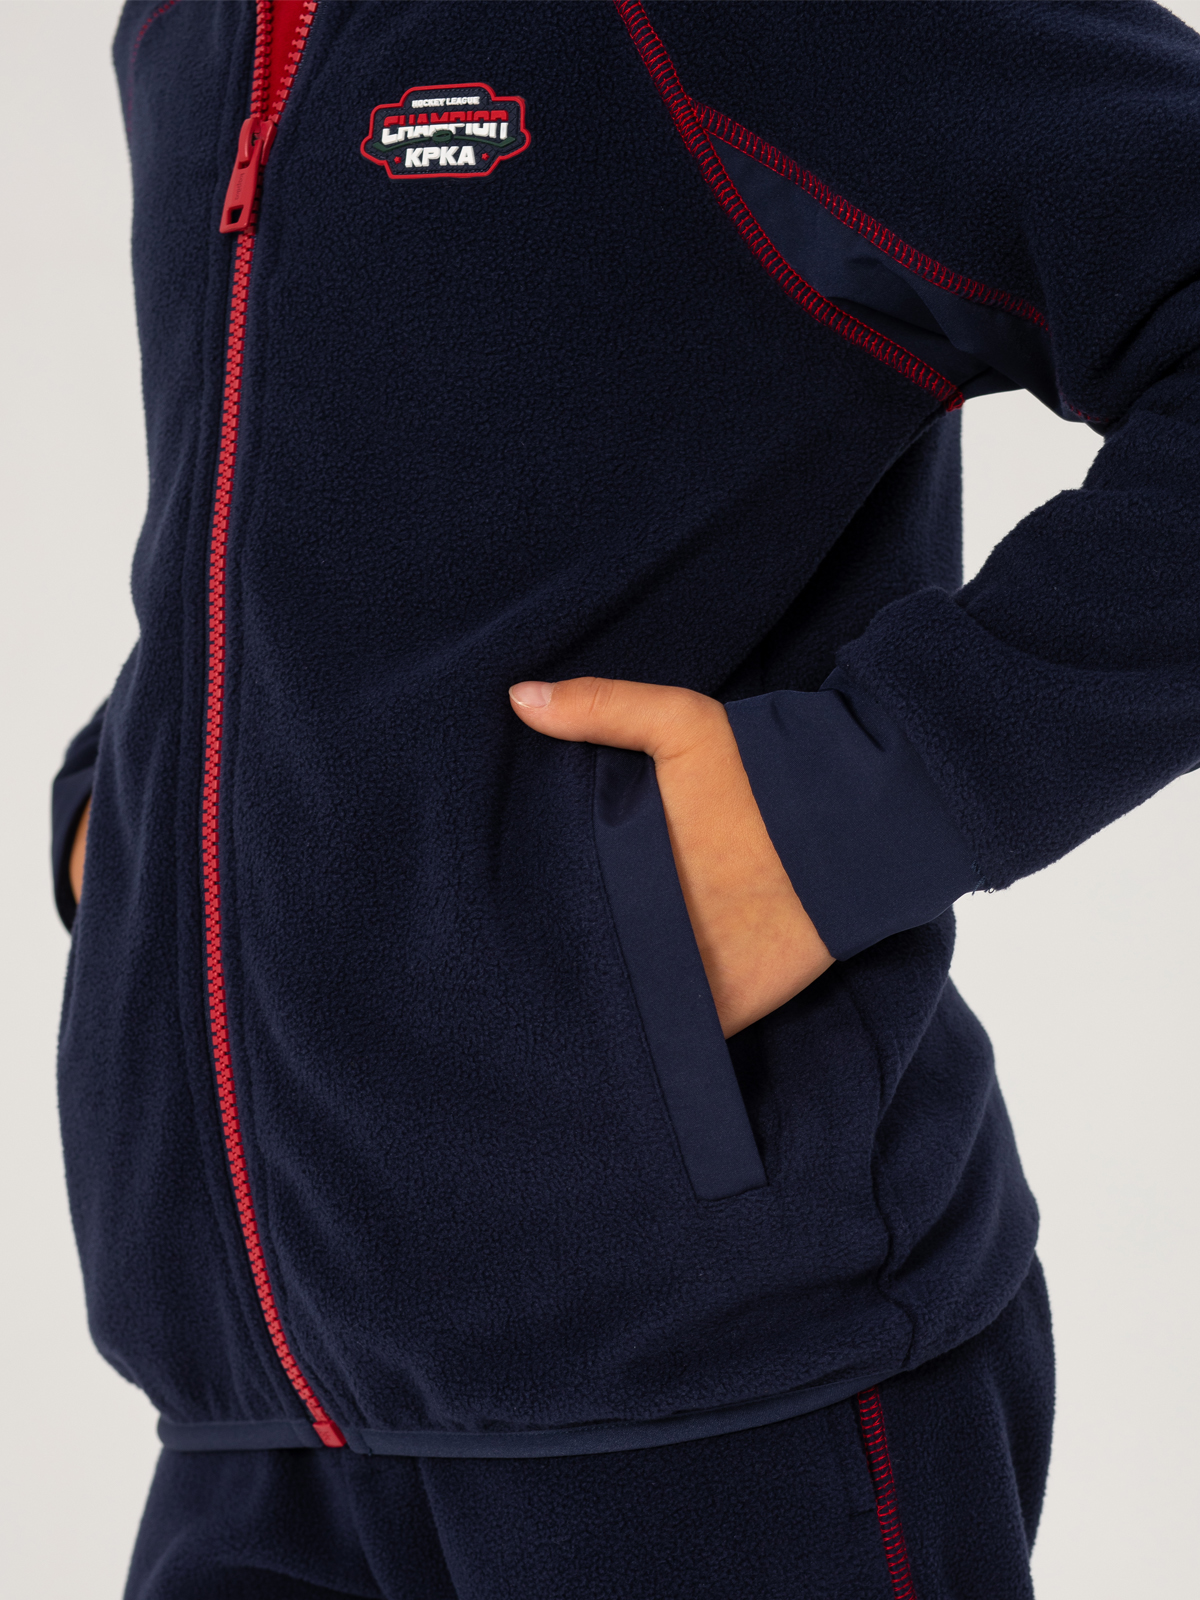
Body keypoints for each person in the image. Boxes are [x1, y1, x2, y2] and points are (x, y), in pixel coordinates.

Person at [52, 2, 1200, 1595]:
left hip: (714, 1399)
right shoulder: (185, 26)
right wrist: (122, 816)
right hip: (243, 1426)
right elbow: (267, 522)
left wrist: (861, 803)